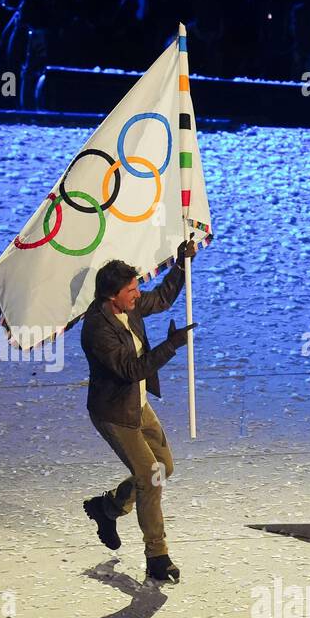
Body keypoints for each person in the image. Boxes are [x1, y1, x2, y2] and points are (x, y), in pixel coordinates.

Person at [80, 239, 198, 584]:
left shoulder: (128, 306)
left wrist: (180, 266)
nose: (137, 293)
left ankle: (109, 507)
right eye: (131, 289)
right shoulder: (97, 328)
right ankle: (157, 556)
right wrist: (171, 346)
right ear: (112, 294)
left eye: (136, 287)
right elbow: (131, 370)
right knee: (151, 477)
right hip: (116, 414)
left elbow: (160, 299)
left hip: (138, 405)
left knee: (165, 468)